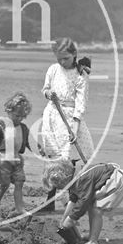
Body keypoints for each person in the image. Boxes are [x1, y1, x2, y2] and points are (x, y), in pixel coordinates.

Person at [40, 37, 94, 212]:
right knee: (52, 157)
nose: (62, 62)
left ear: (74, 54)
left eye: (66, 59)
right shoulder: (53, 69)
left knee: (66, 160)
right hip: (52, 116)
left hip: (70, 120)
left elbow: (81, 104)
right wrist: (49, 94)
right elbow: (45, 89)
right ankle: (50, 201)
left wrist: (75, 129)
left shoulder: (81, 75)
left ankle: (71, 200)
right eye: (59, 59)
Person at [59, 162, 123, 244]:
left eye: (63, 187)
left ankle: (93, 242)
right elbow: (73, 200)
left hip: (115, 181)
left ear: (66, 179)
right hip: (107, 180)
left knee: (96, 209)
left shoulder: (82, 179)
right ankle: (92, 235)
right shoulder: (74, 178)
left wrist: (71, 219)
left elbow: (83, 201)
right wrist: (64, 219)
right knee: (91, 205)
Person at [0, 92, 33, 216]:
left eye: (22, 117)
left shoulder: (23, 128)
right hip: (2, 159)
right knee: (4, 183)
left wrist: (38, 148)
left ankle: (19, 208)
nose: (19, 119)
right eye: (17, 115)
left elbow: (28, 142)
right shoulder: (0, 125)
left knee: (19, 182)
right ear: (8, 111)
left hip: (17, 159)